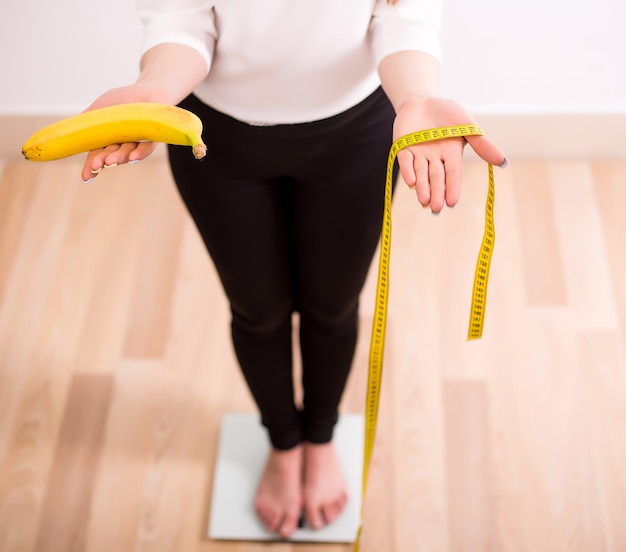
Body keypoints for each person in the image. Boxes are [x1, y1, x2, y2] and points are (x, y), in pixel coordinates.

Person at [80, 0, 506, 539]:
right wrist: (154, 90)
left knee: (332, 306)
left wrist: (420, 97)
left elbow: (400, 15)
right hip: (217, 140)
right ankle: (284, 442)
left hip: (356, 135)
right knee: (257, 311)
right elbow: (184, 18)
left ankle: (320, 438)